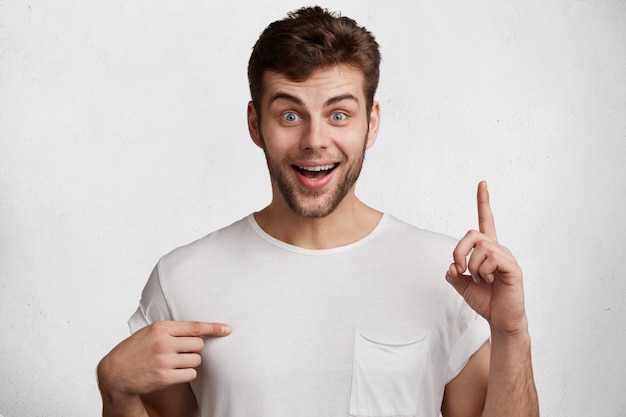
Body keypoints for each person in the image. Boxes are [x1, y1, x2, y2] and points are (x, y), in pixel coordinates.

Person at [97, 6, 539, 417]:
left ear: (372, 122)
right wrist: (115, 392)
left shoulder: (447, 275)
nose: (314, 140)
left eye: (339, 115)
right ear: (255, 124)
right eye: (290, 115)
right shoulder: (184, 279)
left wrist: (511, 333)